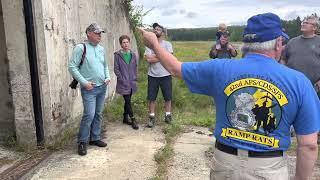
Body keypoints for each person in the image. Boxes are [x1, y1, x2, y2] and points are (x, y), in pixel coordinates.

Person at [139, 13, 320, 180]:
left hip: (225, 163)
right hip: (269, 166)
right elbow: (308, 145)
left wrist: (155, 44)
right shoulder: (299, 82)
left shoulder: (220, 68)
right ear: (279, 43)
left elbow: (175, 68)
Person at [69, 23, 110, 156]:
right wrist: (84, 83)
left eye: (100, 33)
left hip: (102, 87)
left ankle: (95, 138)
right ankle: (82, 142)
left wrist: (108, 77)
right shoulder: (80, 48)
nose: (99, 36)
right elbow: (72, 67)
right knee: (89, 115)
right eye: (97, 33)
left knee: (98, 113)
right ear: (89, 33)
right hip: (89, 89)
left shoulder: (101, 49)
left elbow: (105, 66)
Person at [282, 15, 320, 142]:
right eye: (303, 21)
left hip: (314, 85)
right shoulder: (292, 41)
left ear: (314, 27)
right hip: (292, 84)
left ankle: (314, 135)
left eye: (307, 22)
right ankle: (290, 132)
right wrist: (284, 73)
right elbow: (283, 59)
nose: (303, 23)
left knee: (312, 111)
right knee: (290, 107)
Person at [144, 22, 174, 128]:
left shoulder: (168, 44)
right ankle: (151, 118)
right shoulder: (149, 44)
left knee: (168, 97)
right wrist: (162, 56)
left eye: (158, 29)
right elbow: (148, 59)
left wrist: (156, 56)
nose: (156, 30)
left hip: (166, 74)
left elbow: (169, 58)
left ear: (163, 32)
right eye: (155, 29)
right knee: (152, 98)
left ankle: (168, 116)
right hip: (152, 75)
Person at [114, 35, 139, 130]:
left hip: (132, 82)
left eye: (127, 42)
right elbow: (116, 69)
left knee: (127, 101)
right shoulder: (117, 55)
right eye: (123, 42)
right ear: (121, 44)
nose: (125, 44)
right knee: (128, 101)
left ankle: (125, 117)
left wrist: (135, 77)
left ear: (129, 43)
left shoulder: (133, 54)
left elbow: (135, 67)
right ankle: (133, 119)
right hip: (123, 82)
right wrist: (121, 79)